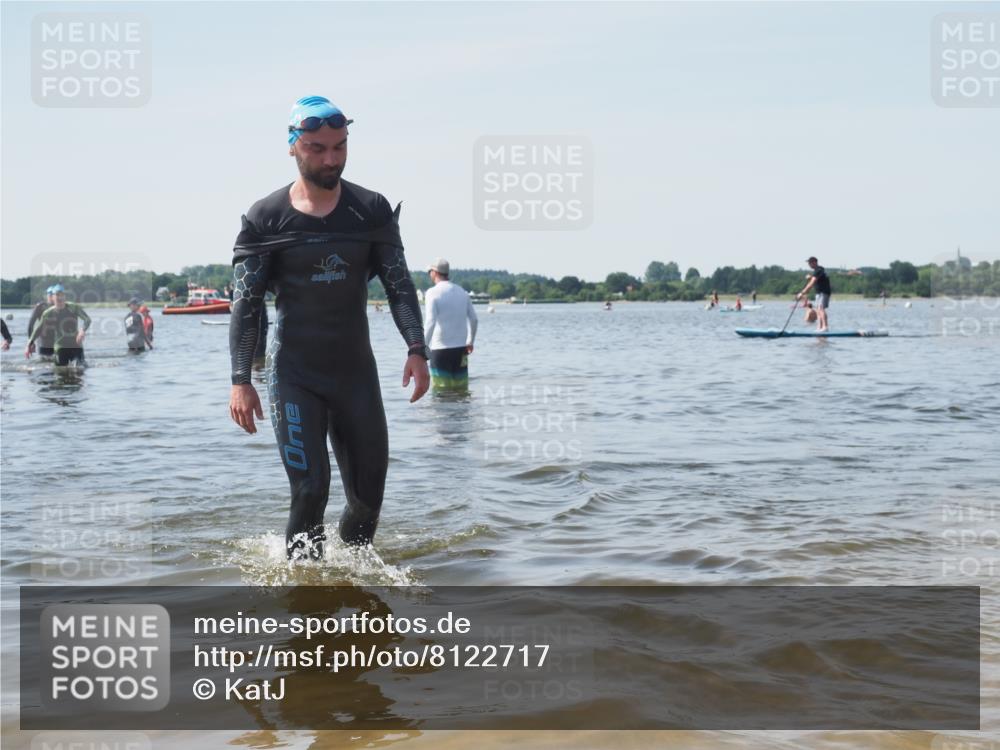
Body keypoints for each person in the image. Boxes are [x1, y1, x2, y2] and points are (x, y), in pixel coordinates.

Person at [228, 95, 429, 560]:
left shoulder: (369, 210)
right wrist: (241, 380)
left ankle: (354, 583)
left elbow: (399, 286)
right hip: (294, 374)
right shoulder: (265, 218)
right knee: (311, 489)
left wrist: (416, 349)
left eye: (339, 147)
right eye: (318, 148)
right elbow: (246, 304)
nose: (330, 159)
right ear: (293, 147)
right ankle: (304, 596)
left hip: (355, 374)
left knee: (366, 501)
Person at [424, 258, 477, 391]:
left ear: (435, 272)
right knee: (461, 390)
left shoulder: (432, 293)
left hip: (440, 350)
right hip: (461, 350)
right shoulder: (463, 292)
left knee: (441, 392)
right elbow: (474, 319)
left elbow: (430, 322)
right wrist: (470, 341)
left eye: (429, 271)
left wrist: (422, 347)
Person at [25, 285, 90, 365]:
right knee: (60, 373)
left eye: (62, 295)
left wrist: (82, 330)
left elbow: (87, 319)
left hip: (76, 346)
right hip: (60, 347)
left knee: (80, 370)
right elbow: (38, 329)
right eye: (57, 295)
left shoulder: (73, 307)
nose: (60, 297)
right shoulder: (47, 313)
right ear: (52, 297)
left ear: (65, 296)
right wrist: (29, 343)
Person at [796, 256, 831, 331]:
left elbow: (811, 283)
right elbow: (816, 279)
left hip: (823, 292)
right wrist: (811, 277)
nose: (809, 264)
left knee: (821, 309)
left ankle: (825, 327)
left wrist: (802, 293)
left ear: (814, 262)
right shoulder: (817, 271)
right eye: (808, 263)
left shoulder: (818, 270)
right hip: (819, 292)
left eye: (810, 263)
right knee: (818, 310)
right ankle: (819, 328)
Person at [27, 286, 57, 357]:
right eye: (50, 295)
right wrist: (31, 342)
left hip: (57, 341)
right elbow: (30, 325)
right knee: (45, 361)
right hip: (44, 341)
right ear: (48, 296)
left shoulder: (60, 307)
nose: (53, 298)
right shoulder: (40, 307)